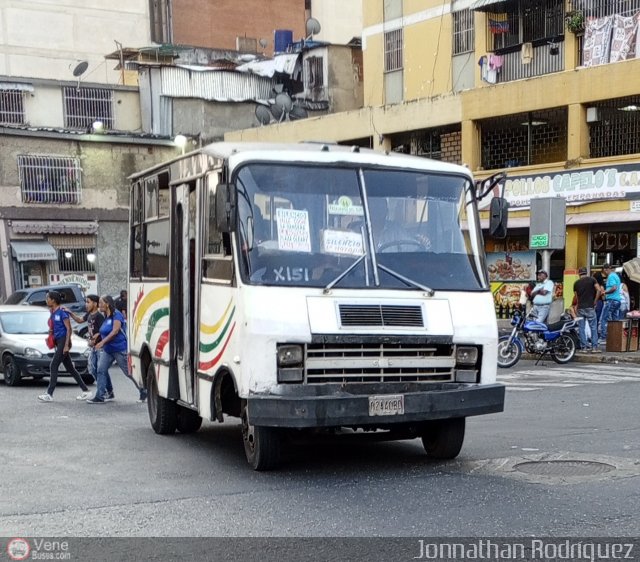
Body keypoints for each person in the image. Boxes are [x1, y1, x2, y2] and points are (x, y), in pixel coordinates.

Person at [87, 295, 147, 404]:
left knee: (128, 372)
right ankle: (100, 396)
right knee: (101, 370)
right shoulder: (106, 315)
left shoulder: (117, 315)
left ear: (107, 304)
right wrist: (98, 335)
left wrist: (102, 342)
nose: (99, 305)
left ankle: (144, 390)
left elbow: (114, 331)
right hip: (108, 350)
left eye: (101, 303)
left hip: (119, 349)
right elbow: (106, 330)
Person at [37, 291, 91, 402]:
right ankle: (86, 391)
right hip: (58, 342)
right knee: (70, 368)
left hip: (63, 341)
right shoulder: (53, 311)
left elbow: (69, 329)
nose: (46, 300)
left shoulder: (62, 312)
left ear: (53, 300)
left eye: (48, 298)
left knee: (53, 365)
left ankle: (49, 393)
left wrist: (66, 345)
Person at [66, 294, 104, 383]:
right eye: (86, 302)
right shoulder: (89, 314)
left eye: (88, 302)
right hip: (92, 346)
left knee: (100, 370)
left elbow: (104, 330)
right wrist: (70, 313)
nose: (86, 304)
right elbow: (79, 320)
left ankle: (103, 388)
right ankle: (103, 386)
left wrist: (97, 335)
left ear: (95, 304)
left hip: (99, 346)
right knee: (91, 369)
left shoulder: (99, 316)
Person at [573, 267, 601, 353]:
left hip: (580, 308)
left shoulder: (576, 283)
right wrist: (595, 301)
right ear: (586, 272)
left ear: (579, 273)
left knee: (581, 328)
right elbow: (599, 290)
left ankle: (584, 348)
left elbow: (576, 297)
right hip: (590, 306)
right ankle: (594, 348)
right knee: (593, 327)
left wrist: (577, 306)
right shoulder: (592, 280)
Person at [599, 263, 622, 344]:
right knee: (615, 320)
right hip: (617, 300)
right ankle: (616, 337)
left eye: (605, 270)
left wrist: (605, 292)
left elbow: (614, 288)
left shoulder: (611, 276)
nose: (605, 272)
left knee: (604, 319)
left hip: (611, 300)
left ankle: (604, 338)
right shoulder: (616, 276)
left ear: (606, 269)